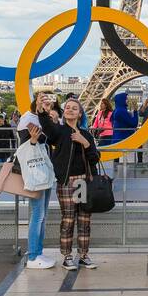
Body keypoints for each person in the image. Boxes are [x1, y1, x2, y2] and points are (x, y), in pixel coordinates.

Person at [40, 96, 101, 270]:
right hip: (67, 181)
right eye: (67, 107)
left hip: (83, 181)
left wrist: (86, 143)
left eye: (74, 108)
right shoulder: (59, 132)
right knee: (68, 219)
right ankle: (67, 255)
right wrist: (43, 111)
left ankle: (83, 254)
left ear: (80, 113)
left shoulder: (86, 134)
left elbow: (95, 158)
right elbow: (47, 128)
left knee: (84, 219)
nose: (70, 110)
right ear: (64, 112)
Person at [15, 111, 55, 269]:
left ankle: (37, 252)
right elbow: (27, 147)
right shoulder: (29, 128)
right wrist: (33, 139)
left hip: (43, 174)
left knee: (41, 215)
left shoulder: (41, 125)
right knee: (38, 215)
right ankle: (33, 255)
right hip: (36, 175)